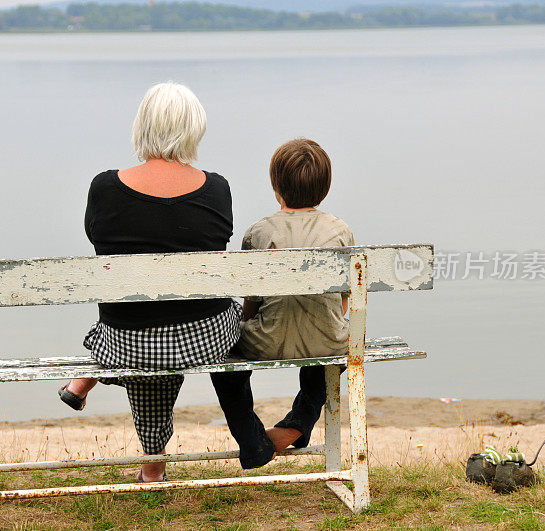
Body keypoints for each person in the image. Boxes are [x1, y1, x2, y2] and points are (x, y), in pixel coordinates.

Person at [58, 82, 242, 482]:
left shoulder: (104, 188)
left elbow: (98, 242)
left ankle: (152, 460)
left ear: (141, 126)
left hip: (127, 339)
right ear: (195, 128)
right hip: (206, 337)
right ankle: (152, 462)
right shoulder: (218, 190)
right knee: (176, 328)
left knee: (131, 337)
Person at [211, 138, 354, 466]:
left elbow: (251, 304)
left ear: (276, 187)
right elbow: (344, 304)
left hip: (265, 342)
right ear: (326, 187)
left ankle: (252, 437)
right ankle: (299, 422)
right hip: (328, 342)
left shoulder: (259, 232)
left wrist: (249, 322)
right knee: (331, 347)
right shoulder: (340, 231)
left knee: (221, 357)